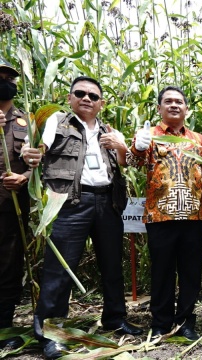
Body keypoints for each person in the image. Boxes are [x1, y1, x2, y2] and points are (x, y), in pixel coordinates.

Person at [21, 76, 142, 360]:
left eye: (93, 96)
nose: (87, 99)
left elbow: (126, 162)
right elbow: (37, 150)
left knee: (112, 265)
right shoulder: (57, 122)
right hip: (69, 201)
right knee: (59, 269)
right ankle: (51, 332)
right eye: (80, 94)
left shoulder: (108, 129)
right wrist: (32, 156)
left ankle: (115, 318)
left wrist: (121, 146)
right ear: (70, 97)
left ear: (101, 103)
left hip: (108, 201)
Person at [127, 86, 202, 341]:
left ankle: (186, 322)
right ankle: (160, 322)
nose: (174, 105)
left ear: (186, 109)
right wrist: (137, 146)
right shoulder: (150, 135)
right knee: (162, 271)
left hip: (193, 216)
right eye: (168, 101)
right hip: (161, 216)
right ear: (159, 108)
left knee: (190, 273)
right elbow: (132, 163)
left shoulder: (199, 139)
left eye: (179, 101)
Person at [0, 58, 30, 350]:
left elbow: (34, 160)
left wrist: (24, 176)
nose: (6, 81)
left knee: (9, 267)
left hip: (13, 209)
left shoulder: (25, 120)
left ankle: (5, 328)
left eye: (10, 77)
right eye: (0, 76)